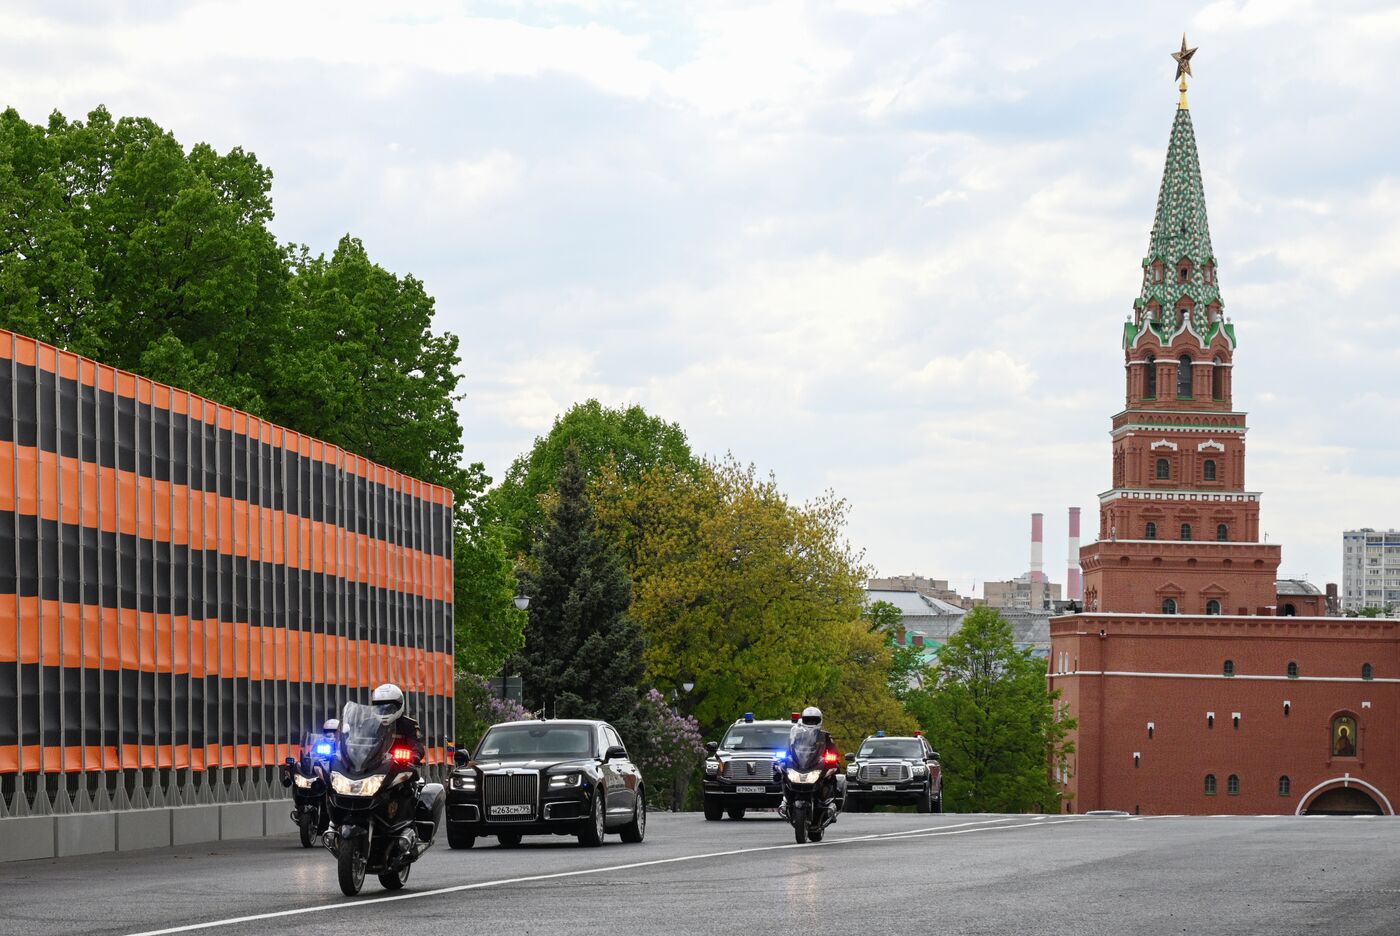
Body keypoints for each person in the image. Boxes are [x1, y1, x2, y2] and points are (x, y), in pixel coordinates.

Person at [789, 706, 841, 811]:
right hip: (802, 764)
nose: (811, 722)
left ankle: (831, 801)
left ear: (819, 720)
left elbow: (832, 750)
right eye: (808, 720)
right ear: (803, 720)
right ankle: (787, 800)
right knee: (783, 772)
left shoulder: (825, 735)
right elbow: (791, 747)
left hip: (818, 764)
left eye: (814, 720)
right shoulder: (798, 735)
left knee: (832, 773)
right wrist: (786, 756)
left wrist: (832, 757)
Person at [372, 683, 426, 763]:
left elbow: (417, 744)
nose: (384, 711)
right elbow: (360, 742)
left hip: (400, 766)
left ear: (400, 705)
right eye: (380, 707)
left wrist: (415, 755)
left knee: (414, 775)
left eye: (389, 708)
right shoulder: (371, 724)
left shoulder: (409, 724)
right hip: (373, 767)